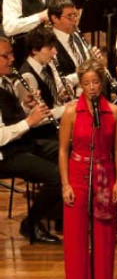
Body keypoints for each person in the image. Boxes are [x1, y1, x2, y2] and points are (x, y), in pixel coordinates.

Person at [58, 59, 117, 279]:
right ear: (81, 85)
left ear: (102, 82)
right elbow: (63, 150)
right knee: (75, 242)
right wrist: (65, 184)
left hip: (104, 175)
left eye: (96, 82)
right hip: (78, 174)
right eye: (86, 83)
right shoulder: (71, 112)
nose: (92, 87)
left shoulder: (114, 112)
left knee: (104, 240)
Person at [0, 34, 62, 243]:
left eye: (11, 54)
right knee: (57, 176)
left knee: (67, 152)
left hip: (20, 144)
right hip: (5, 154)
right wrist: (29, 121)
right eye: (6, 56)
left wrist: (26, 107)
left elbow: (9, 117)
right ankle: (31, 224)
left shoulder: (4, 80)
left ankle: (60, 216)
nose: (12, 59)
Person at [14, 26, 73, 126]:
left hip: (56, 122)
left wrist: (60, 97)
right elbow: (34, 120)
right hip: (44, 132)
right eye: (50, 48)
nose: (55, 52)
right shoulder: (27, 77)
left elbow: (49, 101)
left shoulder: (46, 66)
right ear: (35, 50)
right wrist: (66, 108)